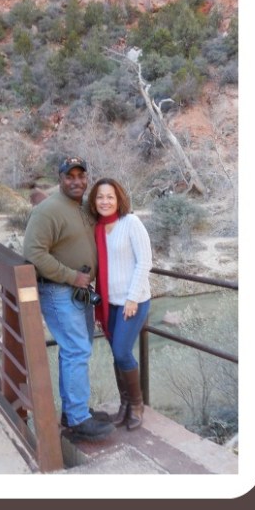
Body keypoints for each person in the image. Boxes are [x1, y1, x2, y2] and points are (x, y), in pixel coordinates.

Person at [23, 157, 114, 442]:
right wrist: (71, 275)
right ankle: (78, 419)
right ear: (60, 179)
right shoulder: (48, 211)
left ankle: (73, 411)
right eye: (70, 176)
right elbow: (34, 253)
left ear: (87, 178)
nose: (76, 181)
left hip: (79, 292)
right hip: (59, 291)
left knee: (75, 350)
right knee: (77, 350)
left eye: (81, 176)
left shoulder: (83, 207)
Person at [89, 178, 153, 430]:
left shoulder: (131, 223)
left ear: (119, 199)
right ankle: (124, 404)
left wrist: (132, 298)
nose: (105, 201)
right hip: (110, 303)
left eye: (110, 197)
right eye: (100, 197)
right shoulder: (97, 228)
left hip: (133, 301)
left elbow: (144, 261)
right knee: (116, 354)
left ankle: (137, 404)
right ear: (94, 201)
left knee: (122, 352)